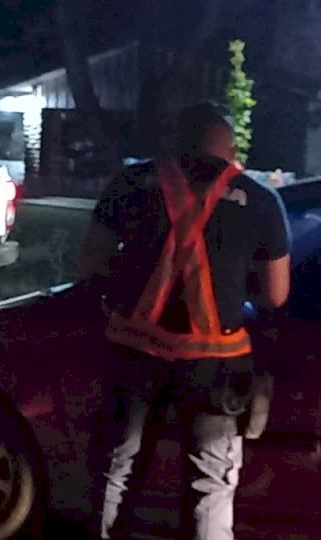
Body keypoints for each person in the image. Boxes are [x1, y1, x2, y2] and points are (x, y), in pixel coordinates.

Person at [77, 102, 291, 540]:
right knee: (209, 485)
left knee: (117, 469)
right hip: (215, 367)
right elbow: (276, 294)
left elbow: (91, 264)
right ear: (230, 149)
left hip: (134, 357)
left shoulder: (131, 183)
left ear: (177, 143)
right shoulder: (260, 201)